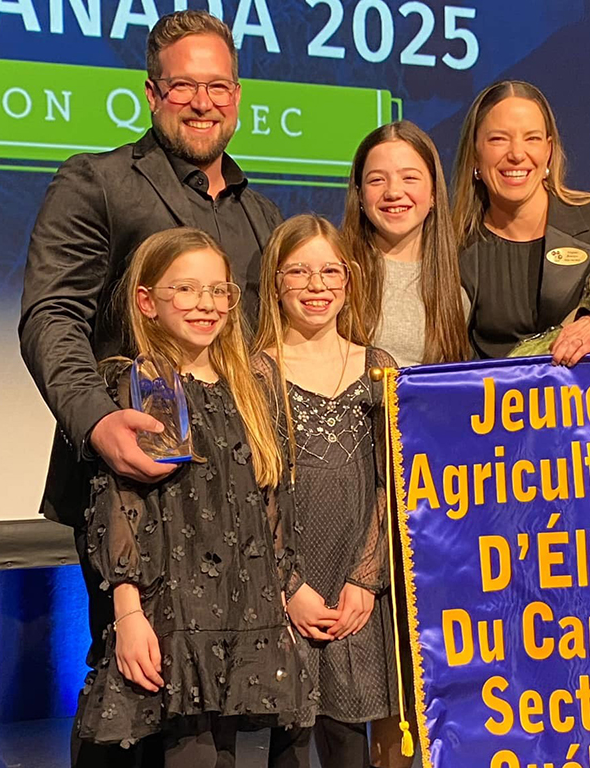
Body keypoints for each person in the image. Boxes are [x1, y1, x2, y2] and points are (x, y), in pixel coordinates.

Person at [17, 11, 283, 765]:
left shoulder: (261, 216)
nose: (203, 101)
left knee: (216, 707)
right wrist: (98, 422)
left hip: (231, 502)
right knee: (135, 694)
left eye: (218, 86)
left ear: (237, 97)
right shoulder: (96, 183)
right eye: (184, 86)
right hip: (135, 487)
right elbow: (51, 315)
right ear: (151, 93)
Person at [74, 227, 312, 766]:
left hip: (245, 610)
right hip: (173, 613)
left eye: (218, 290)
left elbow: (270, 503)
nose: (206, 304)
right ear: (147, 301)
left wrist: (278, 595)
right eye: (185, 289)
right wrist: (128, 613)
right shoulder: (140, 384)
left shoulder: (253, 381)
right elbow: (121, 507)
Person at [253, 215, 402, 767]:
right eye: (299, 272)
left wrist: (366, 579)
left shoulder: (378, 368)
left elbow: (393, 481)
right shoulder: (256, 372)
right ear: (275, 282)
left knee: (347, 739)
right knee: (289, 741)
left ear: (349, 279)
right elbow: (253, 491)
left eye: (329, 271)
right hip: (288, 583)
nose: (316, 286)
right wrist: (289, 584)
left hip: (355, 581)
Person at [451, 80, 590, 364]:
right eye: (498, 139)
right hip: (491, 405)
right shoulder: (453, 246)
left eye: (532, 138)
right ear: (475, 154)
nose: (517, 154)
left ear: (549, 151)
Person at [341, 121, 471, 367]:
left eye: (409, 178)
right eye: (377, 180)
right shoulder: (335, 273)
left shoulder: (456, 288)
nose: (393, 192)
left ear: (433, 192)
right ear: (359, 194)